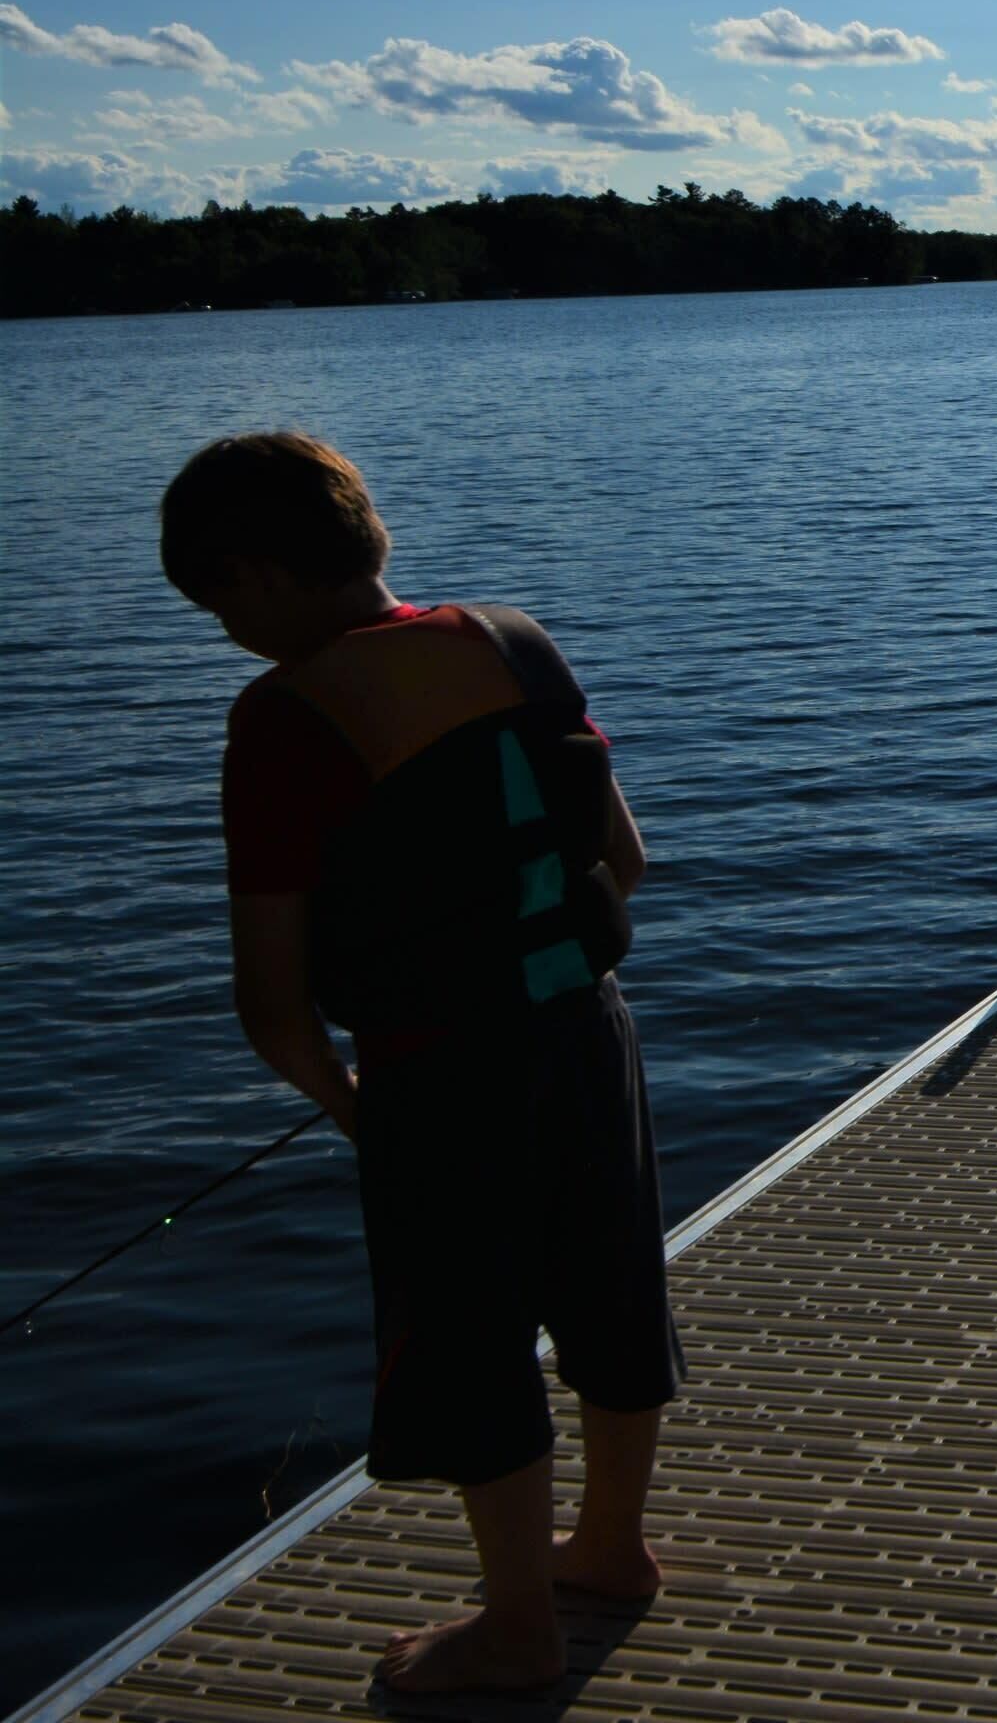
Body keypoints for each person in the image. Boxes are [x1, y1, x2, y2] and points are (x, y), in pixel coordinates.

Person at [158, 433, 681, 1697]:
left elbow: (273, 1002)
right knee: (611, 1288)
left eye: (219, 598)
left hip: (441, 1071)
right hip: (587, 1025)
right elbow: (628, 859)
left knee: (468, 1336)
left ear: (259, 572)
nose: (226, 626)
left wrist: (354, 1110)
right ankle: (611, 1546)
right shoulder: (511, 638)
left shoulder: (285, 716)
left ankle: (518, 1626)